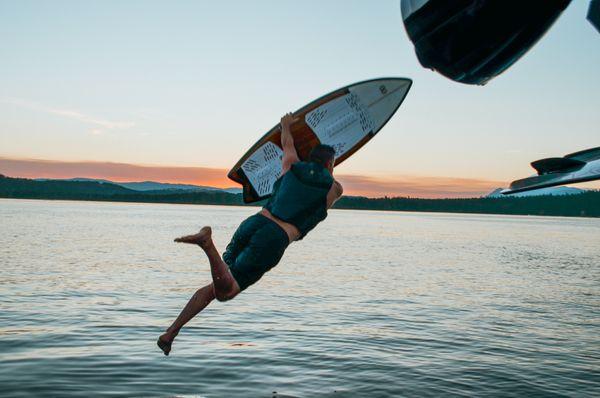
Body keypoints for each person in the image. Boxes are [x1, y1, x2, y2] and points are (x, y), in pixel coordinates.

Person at [157, 113, 344, 355]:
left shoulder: (290, 165)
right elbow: (329, 183)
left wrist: (286, 125)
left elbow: (287, 143)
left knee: (217, 287)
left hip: (254, 222)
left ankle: (170, 333)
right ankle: (206, 243)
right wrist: (328, 165)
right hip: (273, 238)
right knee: (227, 292)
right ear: (330, 165)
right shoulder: (334, 188)